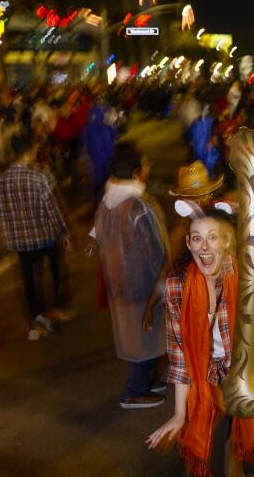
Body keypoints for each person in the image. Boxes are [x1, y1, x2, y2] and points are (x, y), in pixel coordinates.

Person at [147, 204, 254, 476]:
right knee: (198, 440)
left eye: (213, 237)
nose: (204, 247)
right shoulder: (176, 286)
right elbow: (180, 356)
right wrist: (179, 414)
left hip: (239, 371)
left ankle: (236, 459)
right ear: (188, 243)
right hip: (200, 374)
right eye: (196, 238)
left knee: (243, 431)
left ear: (227, 241)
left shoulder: (245, 277)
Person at [94, 143, 168, 409]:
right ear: (137, 172)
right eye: (147, 164)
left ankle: (147, 380)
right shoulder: (140, 206)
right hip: (144, 284)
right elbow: (158, 253)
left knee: (139, 335)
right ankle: (134, 390)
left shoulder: (107, 200)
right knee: (145, 334)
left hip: (120, 283)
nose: (149, 169)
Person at [0, 134, 72, 340]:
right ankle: (53, 313)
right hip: (45, 236)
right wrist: (64, 232)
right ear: (29, 151)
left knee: (30, 282)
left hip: (21, 243)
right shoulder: (38, 177)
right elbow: (52, 209)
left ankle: (37, 320)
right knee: (58, 272)